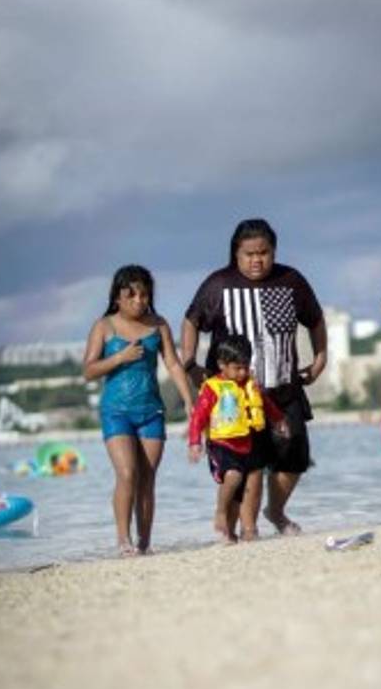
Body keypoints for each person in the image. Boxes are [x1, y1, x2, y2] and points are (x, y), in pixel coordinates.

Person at [181, 218, 327, 537]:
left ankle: (274, 511)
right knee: (245, 468)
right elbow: (191, 321)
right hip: (233, 398)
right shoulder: (218, 285)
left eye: (264, 252)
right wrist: (189, 362)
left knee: (294, 456)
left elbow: (315, 319)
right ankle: (241, 531)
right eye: (249, 253)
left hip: (283, 387)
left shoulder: (291, 280)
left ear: (273, 251)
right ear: (236, 253)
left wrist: (320, 358)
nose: (257, 259)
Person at [83, 265, 193, 555]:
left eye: (143, 295)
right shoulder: (104, 326)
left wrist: (190, 402)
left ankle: (144, 544)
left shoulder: (159, 325)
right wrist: (120, 357)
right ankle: (123, 540)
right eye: (130, 295)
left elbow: (172, 364)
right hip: (116, 412)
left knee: (147, 479)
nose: (138, 301)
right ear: (117, 297)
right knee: (128, 474)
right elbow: (89, 371)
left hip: (151, 412)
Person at [188, 335, 289, 543]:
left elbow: (267, 405)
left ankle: (230, 533)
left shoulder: (250, 385)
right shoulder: (212, 388)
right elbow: (198, 416)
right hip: (221, 445)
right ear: (222, 365)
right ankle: (220, 512)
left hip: (246, 444)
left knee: (241, 491)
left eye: (245, 367)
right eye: (237, 368)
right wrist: (194, 442)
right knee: (232, 477)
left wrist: (279, 420)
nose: (242, 373)